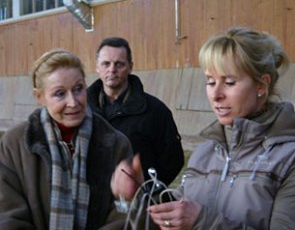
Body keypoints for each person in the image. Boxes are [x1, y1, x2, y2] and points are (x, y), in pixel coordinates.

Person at [111, 26, 295, 230]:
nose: (215, 94)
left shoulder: (289, 160)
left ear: (262, 85)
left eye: (230, 82)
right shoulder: (205, 153)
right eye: (210, 81)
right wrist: (138, 196)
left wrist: (202, 221)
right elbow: (175, 219)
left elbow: (195, 218)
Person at [0, 49, 132, 229]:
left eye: (78, 89)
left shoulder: (116, 144)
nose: (73, 102)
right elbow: (8, 214)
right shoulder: (14, 144)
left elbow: (124, 212)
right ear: (40, 97)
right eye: (60, 93)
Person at [87, 37, 184, 186]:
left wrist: (149, 190)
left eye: (119, 64)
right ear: (97, 67)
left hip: (139, 203)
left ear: (130, 67)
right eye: (106, 63)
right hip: (93, 202)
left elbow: (173, 160)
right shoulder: (81, 110)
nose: (112, 69)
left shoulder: (155, 111)